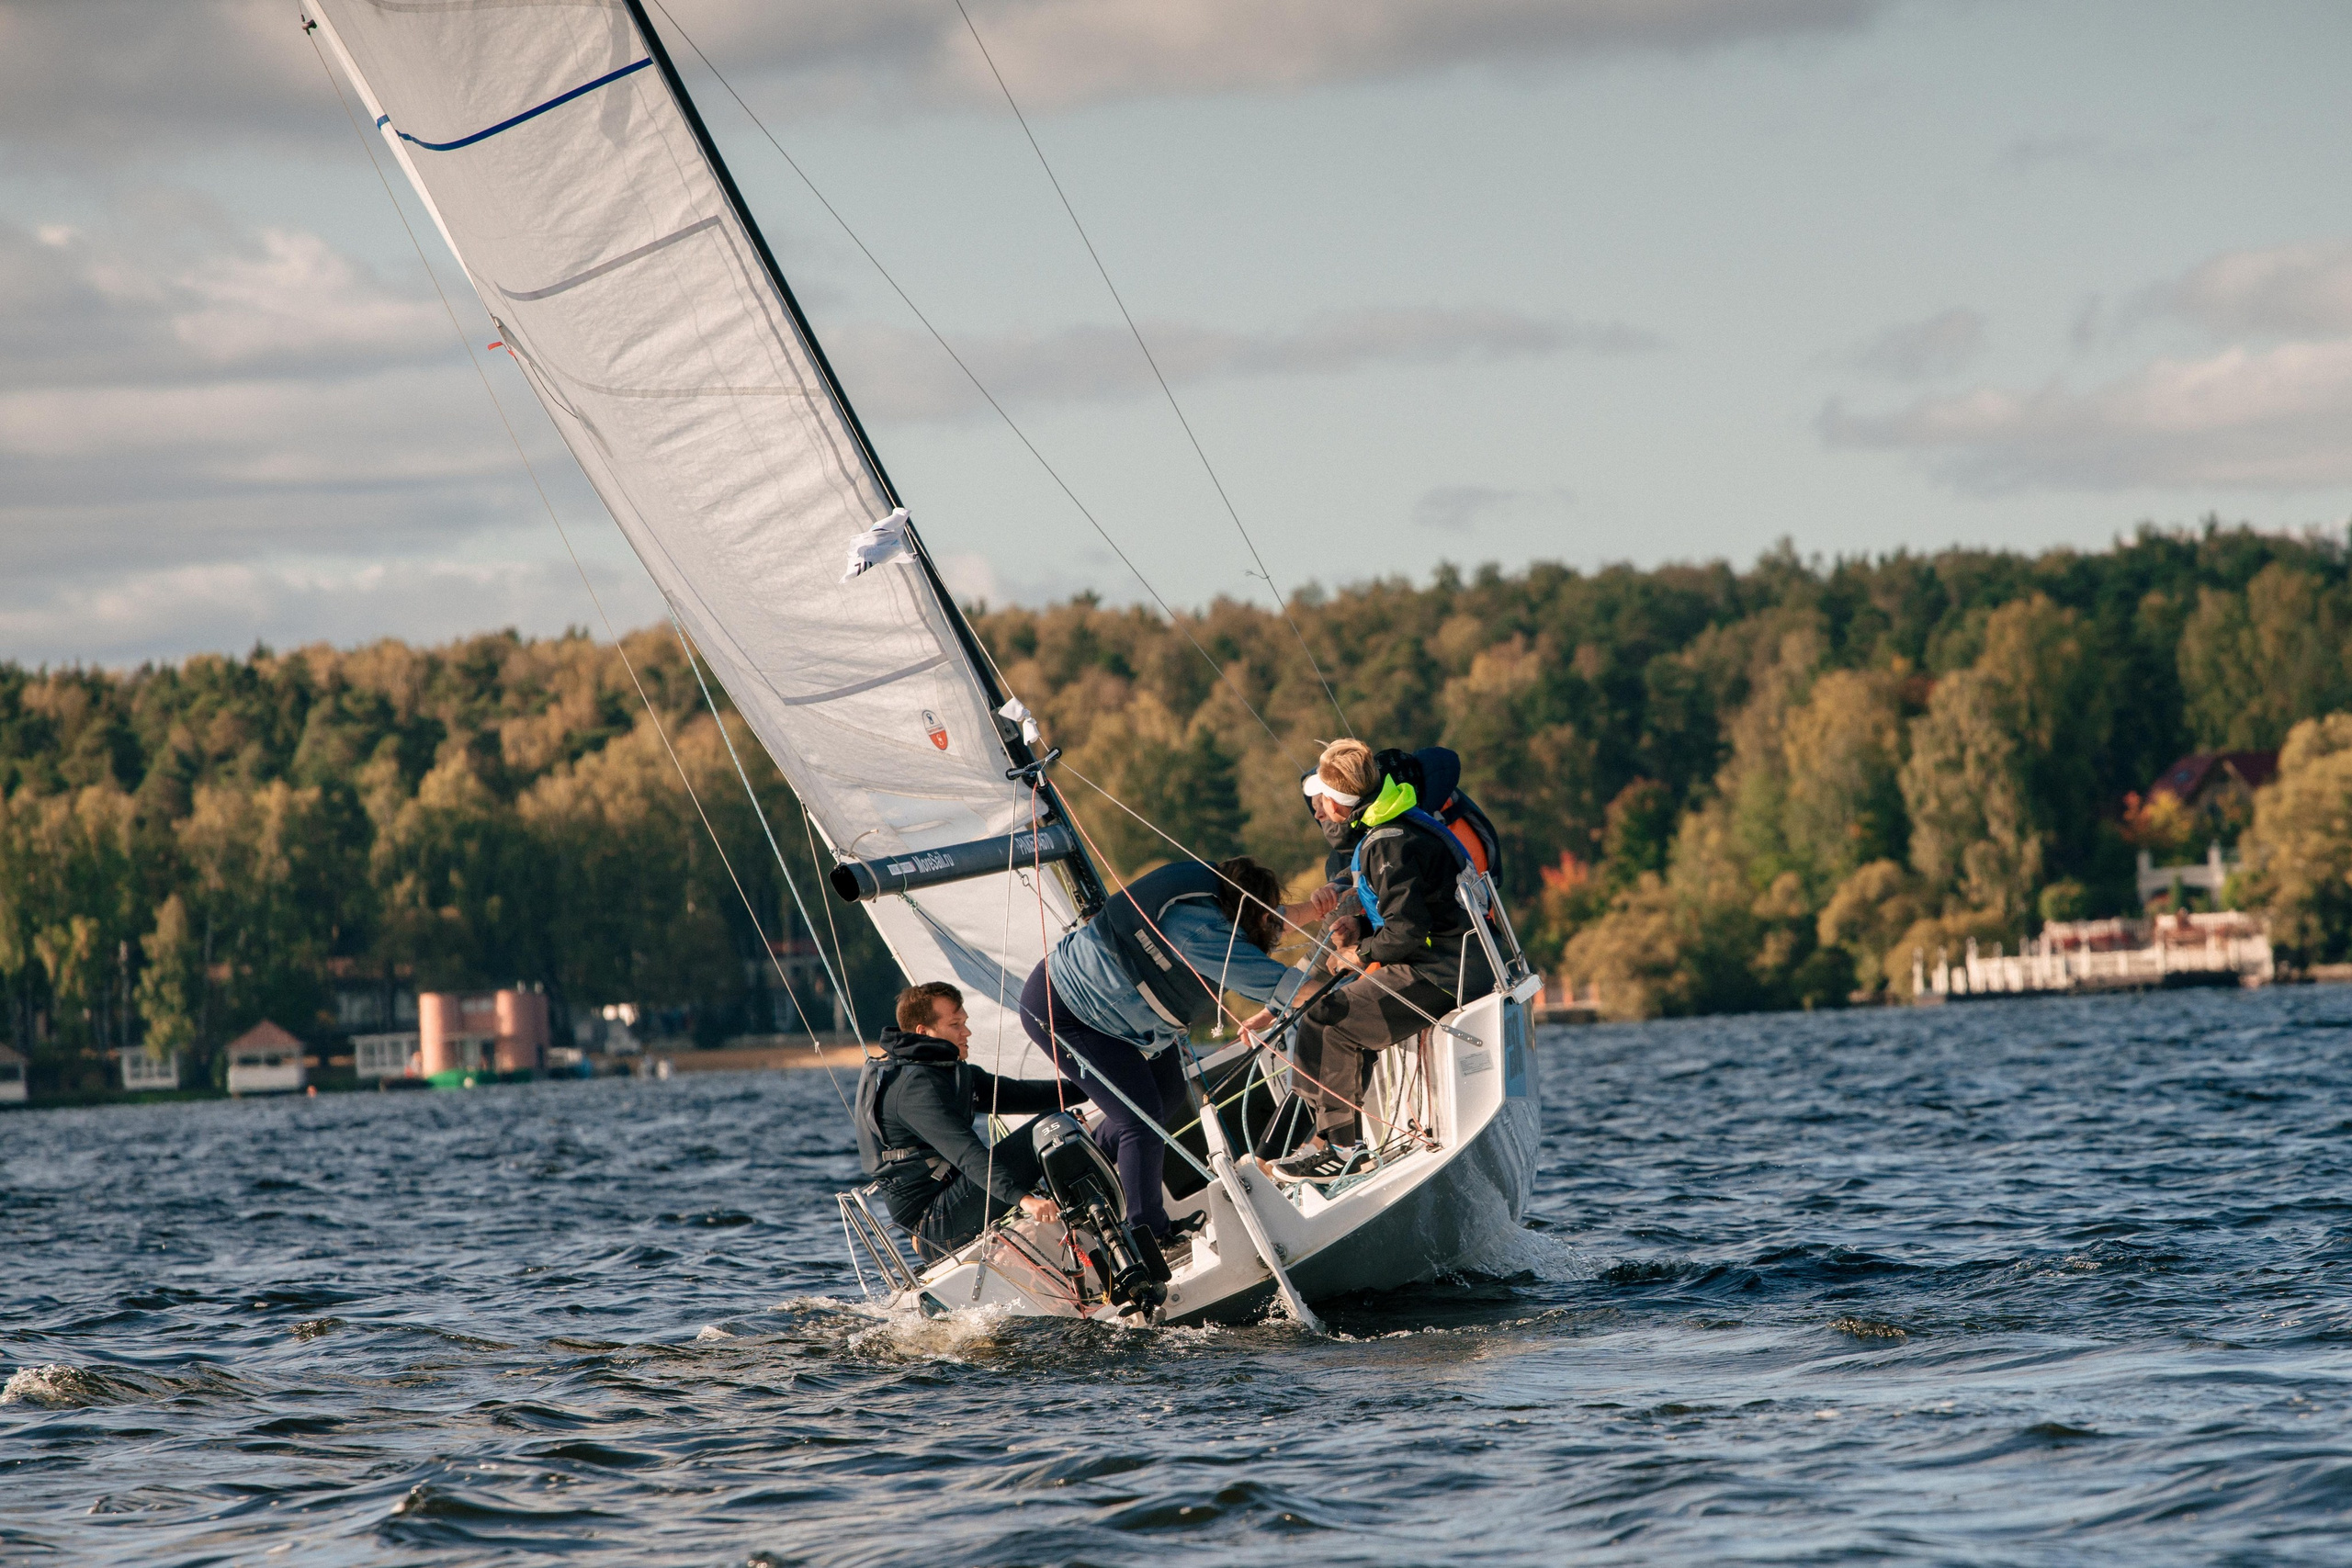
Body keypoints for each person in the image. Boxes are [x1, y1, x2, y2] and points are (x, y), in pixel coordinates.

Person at [1019, 855, 1312, 1239]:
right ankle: (1148, 1232)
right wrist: (1364, 990)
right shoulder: (1201, 933)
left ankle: (1074, 1164)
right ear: (1249, 911)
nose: (1271, 928)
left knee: (1169, 1094)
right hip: (1062, 1009)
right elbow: (1287, 987)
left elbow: (1271, 920)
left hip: (1124, 1018)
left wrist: (1327, 903)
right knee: (1139, 1117)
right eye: (1267, 915)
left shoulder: (1217, 902)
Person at [1258, 739, 1491, 1184]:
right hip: (1446, 960)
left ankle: (1341, 1149)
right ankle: (1327, 1142)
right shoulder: (1396, 821)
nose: (1319, 811)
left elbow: (1407, 931)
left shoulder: (1388, 842)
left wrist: (1358, 955)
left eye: (1322, 800)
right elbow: (1418, 913)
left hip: (1444, 972)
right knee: (1326, 1020)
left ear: (1337, 801)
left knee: (1329, 1019)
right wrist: (1360, 927)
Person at [855, 980, 1074, 1260]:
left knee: (1058, 1122)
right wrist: (1024, 1200)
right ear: (924, 1032)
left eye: (965, 1023)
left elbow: (1025, 1094)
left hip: (953, 1202)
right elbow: (967, 1153)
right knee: (1052, 1128)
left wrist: (1097, 1086)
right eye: (955, 1024)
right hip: (933, 1228)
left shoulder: (946, 1071)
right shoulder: (913, 1089)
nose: (966, 1032)